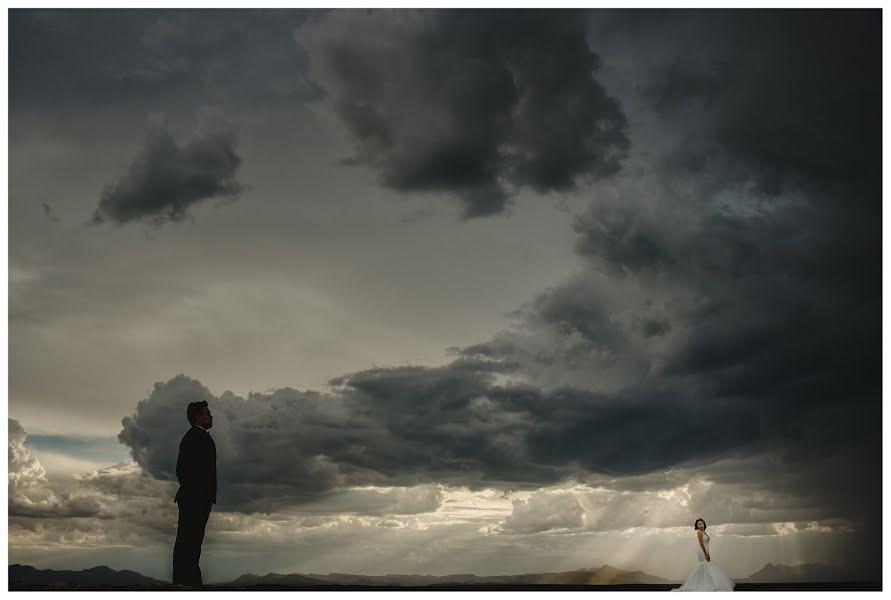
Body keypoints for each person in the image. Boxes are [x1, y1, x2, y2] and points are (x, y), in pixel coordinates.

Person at [172, 401, 217, 587]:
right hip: (194, 499)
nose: (211, 416)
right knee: (189, 542)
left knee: (191, 542)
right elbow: (182, 470)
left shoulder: (197, 437)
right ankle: (186, 583)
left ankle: (187, 581)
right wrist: (199, 494)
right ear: (198, 417)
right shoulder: (193, 438)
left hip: (197, 498)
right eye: (207, 413)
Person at [672, 518, 735, 591]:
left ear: (704, 524)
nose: (700, 525)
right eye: (699, 524)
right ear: (697, 526)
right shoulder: (699, 532)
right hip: (702, 551)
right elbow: (702, 544)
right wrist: (706, 554)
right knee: (705, 565)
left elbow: (706, 544)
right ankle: (704, 584)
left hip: (706, 551)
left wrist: (708, 553)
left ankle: (707, 583)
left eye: (702, 523)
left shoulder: (704, 532)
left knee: (706, 567)